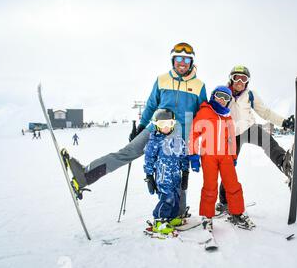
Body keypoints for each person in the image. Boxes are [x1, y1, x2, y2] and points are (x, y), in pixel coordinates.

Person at [64, 42, 207, 216]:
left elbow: (202, 114)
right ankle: (84, 177)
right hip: (155, 129)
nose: (182, 63)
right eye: (178, 58)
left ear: (191, 62)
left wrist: (196, 139)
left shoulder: (199, 86)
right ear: (173, 60)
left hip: (180, 136)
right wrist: (141, 126)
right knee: (127, 152)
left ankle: (177, 212)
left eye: (186, 59)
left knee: (177, 173)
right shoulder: (162, 80)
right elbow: (151, 105)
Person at [217, 66, 295, 213]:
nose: (240, 81)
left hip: (249, 128)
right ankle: (224, 201)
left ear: (247, 82)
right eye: (236, 77)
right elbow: (214, 111)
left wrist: (284, 123)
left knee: (268, 141)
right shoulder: (223, 93)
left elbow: (265, 112)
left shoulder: (250, 95)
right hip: (232, 134)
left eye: (244, 79)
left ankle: (284, 162)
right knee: (229, 167)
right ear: (231, 79)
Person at [188, 86, 255, 231]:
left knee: (233, 185)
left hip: (225, 157)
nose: (222, 100)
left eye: (226, 98)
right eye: (220, 96)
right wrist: (193, 155)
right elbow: (193, 133)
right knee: (210, 187)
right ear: (213, 96)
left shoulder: (228, 116)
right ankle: (207, 216)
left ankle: (236, 213)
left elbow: (231, 139)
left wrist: (233, 156)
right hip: (209, 156)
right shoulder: (204, 112)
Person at [144, 109, 189, 235]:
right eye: (162, 124)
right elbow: (149, 160)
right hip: (163, 177)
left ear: (173, 124)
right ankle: (159, 221)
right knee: (167, 198)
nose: (165, 127)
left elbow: (184, 156)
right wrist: (149, 176)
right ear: (157, 125)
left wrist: (185, 173)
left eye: (168, 124)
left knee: (176, 197)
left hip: (176, 177)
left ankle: (171, 218)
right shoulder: (154, 141)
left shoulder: (179, 140)